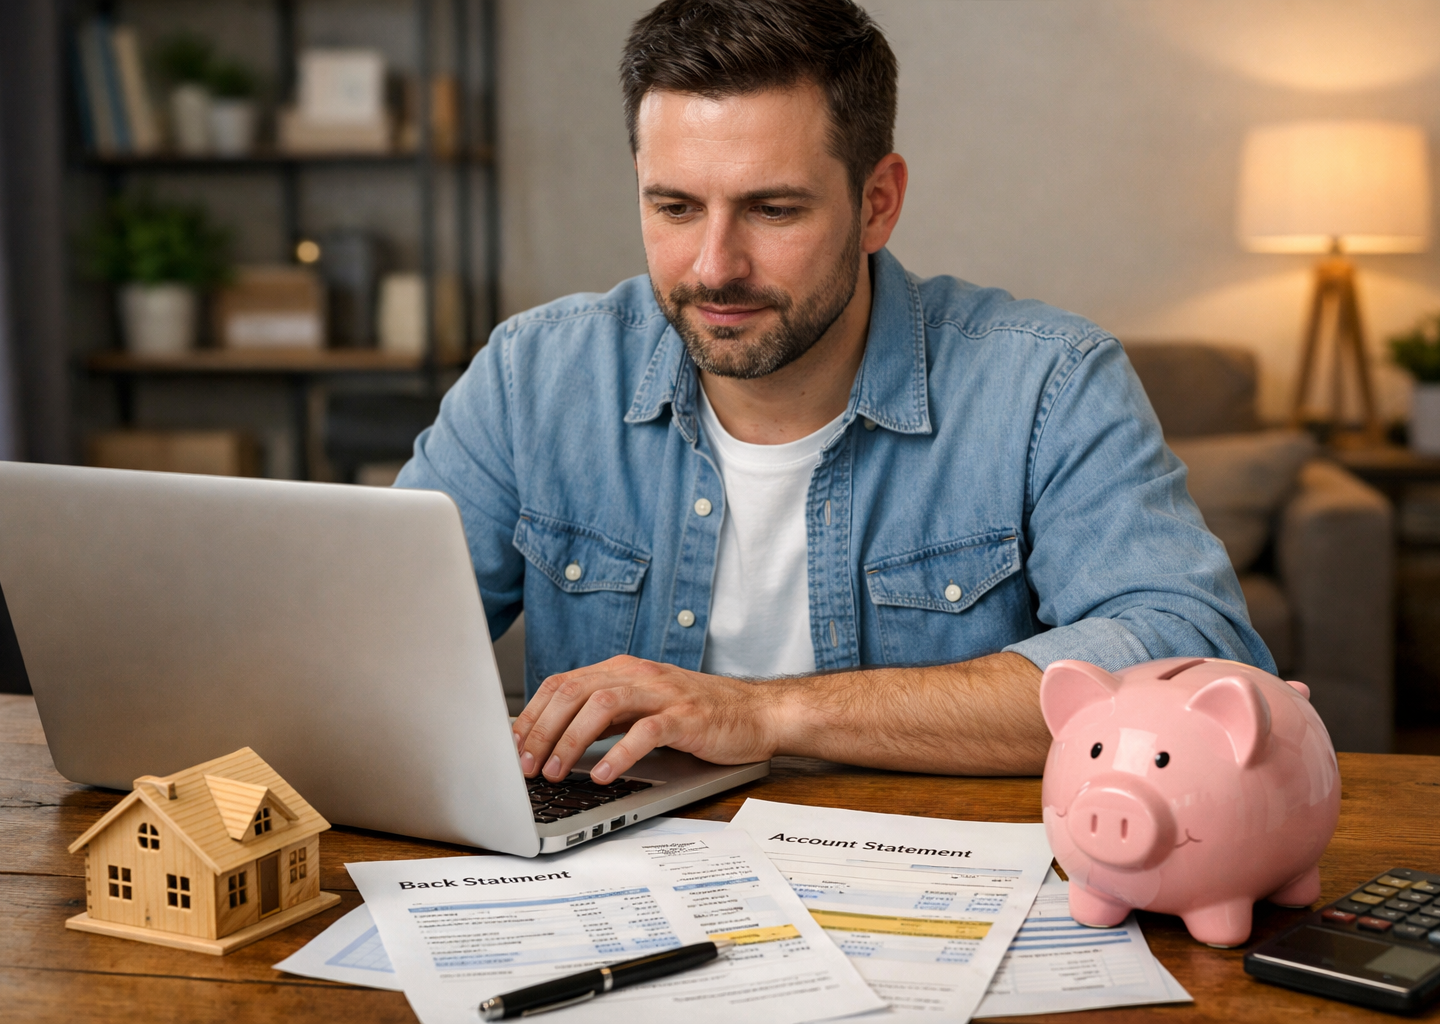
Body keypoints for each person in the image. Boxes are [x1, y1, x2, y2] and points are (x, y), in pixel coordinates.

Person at [396, 0, 1272, 784]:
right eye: (674, 208)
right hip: (612, 890)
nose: (714, 267)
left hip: (930, 887)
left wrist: (768, 713)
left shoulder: (1047, 382)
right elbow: (371, 655)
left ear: (878, 202)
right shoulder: (534, 376)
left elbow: (1196, 660)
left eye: (773, 210)